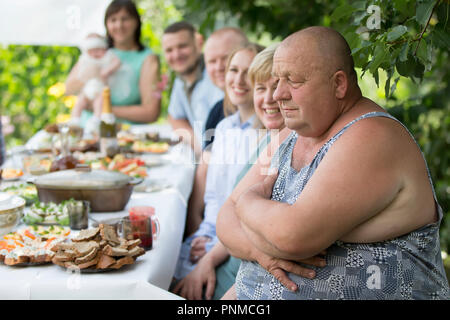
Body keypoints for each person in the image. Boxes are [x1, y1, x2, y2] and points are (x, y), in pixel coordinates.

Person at [216, 26, 450, 300]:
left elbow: (292, 236)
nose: (278, 93)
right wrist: (260, 252)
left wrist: (248, 203)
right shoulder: (291, 134)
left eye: (293, 80)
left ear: (339, 84)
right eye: (277, 80)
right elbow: (225, 219)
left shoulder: (372, 135)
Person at [173, 44, 326, 300]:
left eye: (278, 87)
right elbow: (227, 209)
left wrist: (209, 261)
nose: (271, 98)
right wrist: (204, 240)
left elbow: (270, 239)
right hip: (228, 255)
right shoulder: (264, 141)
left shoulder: (284, 145)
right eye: (261, 88)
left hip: (242, 272)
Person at [172, 44, 264, 289]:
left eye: (250, 72)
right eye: (234, 70)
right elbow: (214, 197)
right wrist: (203, 234)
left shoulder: (266, 137)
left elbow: (249, 211)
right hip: (209, 234)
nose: (239, 79)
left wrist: (212, 245)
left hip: (232, 245)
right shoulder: (224, 128)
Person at [184, 27, 249, 239]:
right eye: (212, 61)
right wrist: (195, 223)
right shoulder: (217, 111)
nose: (219, 67)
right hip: (212, 225)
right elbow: (204, 168)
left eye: (226, 59)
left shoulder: (265, 115)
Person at [65, 0, 161, 125]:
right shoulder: (97, 50)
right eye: (113, 20)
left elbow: (150, 113)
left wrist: (102, 108)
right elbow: (69, 88)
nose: (119, 25)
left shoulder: (148, 58)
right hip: (86, 128)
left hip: (125, 132)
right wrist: (91, 74)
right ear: (106, 24)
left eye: (125, 19)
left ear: (136, 22)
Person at [162, 21, 224, 155]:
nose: (176, 55)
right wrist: (199, 146)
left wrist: (203, 152)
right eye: (169, 50)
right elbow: (174, 117)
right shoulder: (181, 79)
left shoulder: (217, 77)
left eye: (182, 46)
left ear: (199, 43)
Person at [69, 33, 121, 135]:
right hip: (87, 89)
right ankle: (75, 120)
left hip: (100, 88)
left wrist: (107, 71)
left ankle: (96, 119)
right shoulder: (85, 59)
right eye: (92, 51)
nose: (95, 54)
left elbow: (117, 63)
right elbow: (70, 85)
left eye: (98, 50)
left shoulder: (108, 57)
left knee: (99, 102)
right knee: (80, 102)